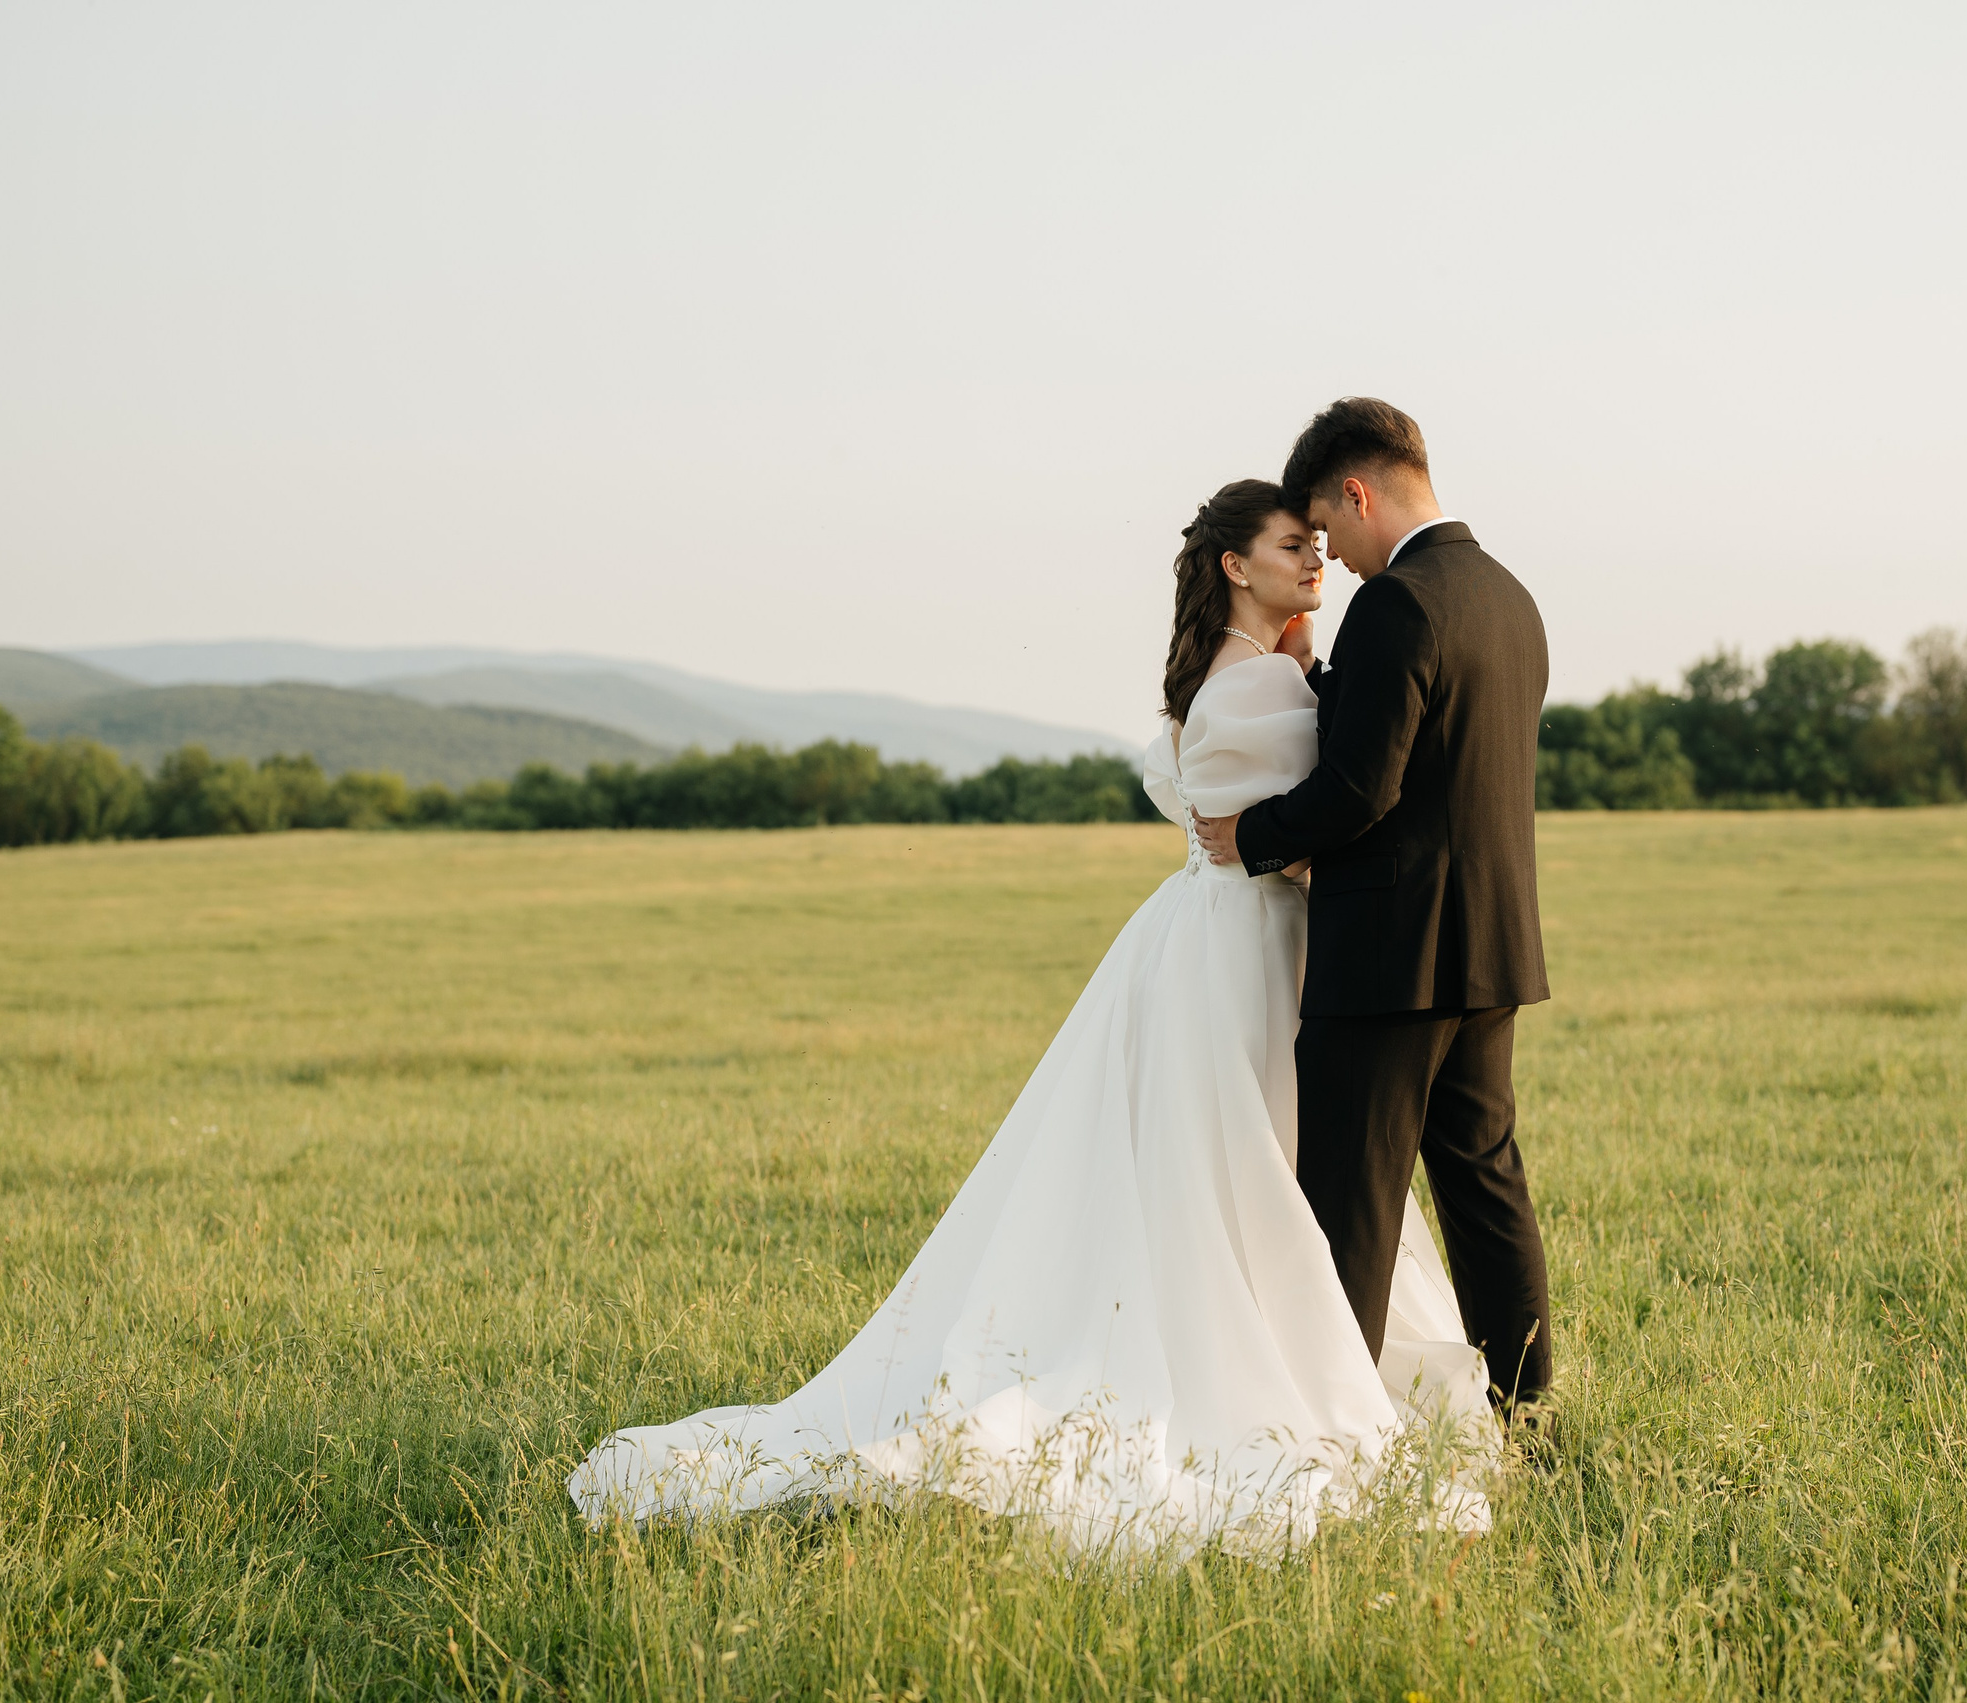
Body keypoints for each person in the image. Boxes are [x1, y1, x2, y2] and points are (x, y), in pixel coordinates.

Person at [569, 478, 1493, 1556]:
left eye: (1317, 544)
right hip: (1249, 943)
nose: (1317, 561)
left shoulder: (1243, 676)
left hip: (1219, 936)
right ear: (1235, 566)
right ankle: (1268, 1358)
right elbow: (1331, 806)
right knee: (1258, 1159)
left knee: (1254, 1158)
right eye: (1294, 546)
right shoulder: (1261, 693)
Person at [1191, 398, 1554, 1420]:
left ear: (1358, 491)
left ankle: (1334, 1439)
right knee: (1485, 1191)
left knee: (1347, 1205)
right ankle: (1528, 1417)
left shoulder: (1399, 601)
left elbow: (1363, 787)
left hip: (1391, 954)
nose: (1331, 557)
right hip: (1491, 949)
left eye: (1327, 527)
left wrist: (1250, 837)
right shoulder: (1508, 596)